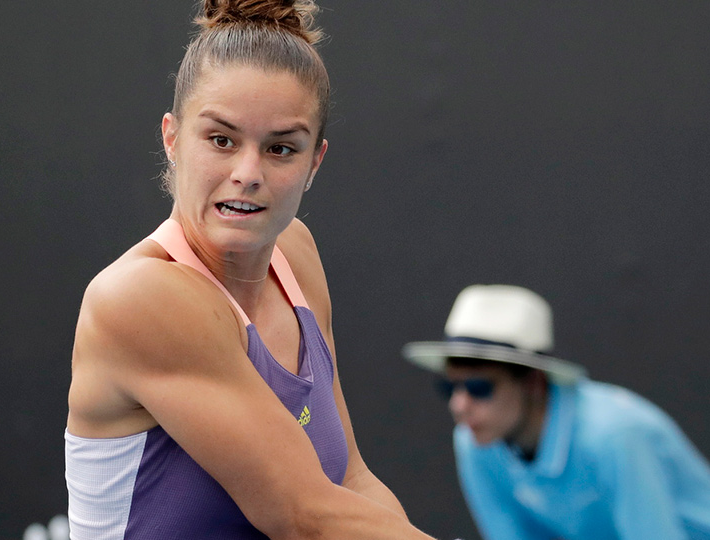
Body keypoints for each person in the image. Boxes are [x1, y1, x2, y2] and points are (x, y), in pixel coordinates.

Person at [64, 1, 440, 538]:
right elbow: (303, 514)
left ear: (314, 162)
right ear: (172, 138)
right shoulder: (139, 297)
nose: (248, 173)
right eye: (221, 140)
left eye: (280, 149)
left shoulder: (296, 253)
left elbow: (350, 481)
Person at [403, 284, 710, 540]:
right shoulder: (474, 443)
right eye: (450, 387)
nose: (459, 405)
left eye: (480, 387)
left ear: (533, 382)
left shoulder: (614, 435)